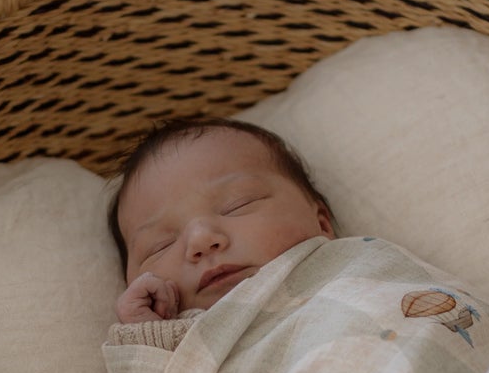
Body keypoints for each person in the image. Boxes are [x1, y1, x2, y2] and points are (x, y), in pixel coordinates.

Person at [108, 118, 334, 331]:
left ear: (321, 223)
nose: (200, 239)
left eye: (239, 204)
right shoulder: (179, 341)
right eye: (160, 246)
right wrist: (145, 330)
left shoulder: (348, 262)